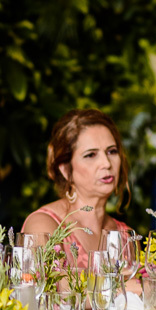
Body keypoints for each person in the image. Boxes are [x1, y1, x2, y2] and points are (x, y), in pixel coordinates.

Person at [21, 108, 132, 268]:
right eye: (90, 155)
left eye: (112, 151)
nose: (107, 163)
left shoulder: (125, 236)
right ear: (65, 169)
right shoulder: (43, 225)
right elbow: (57, 288)